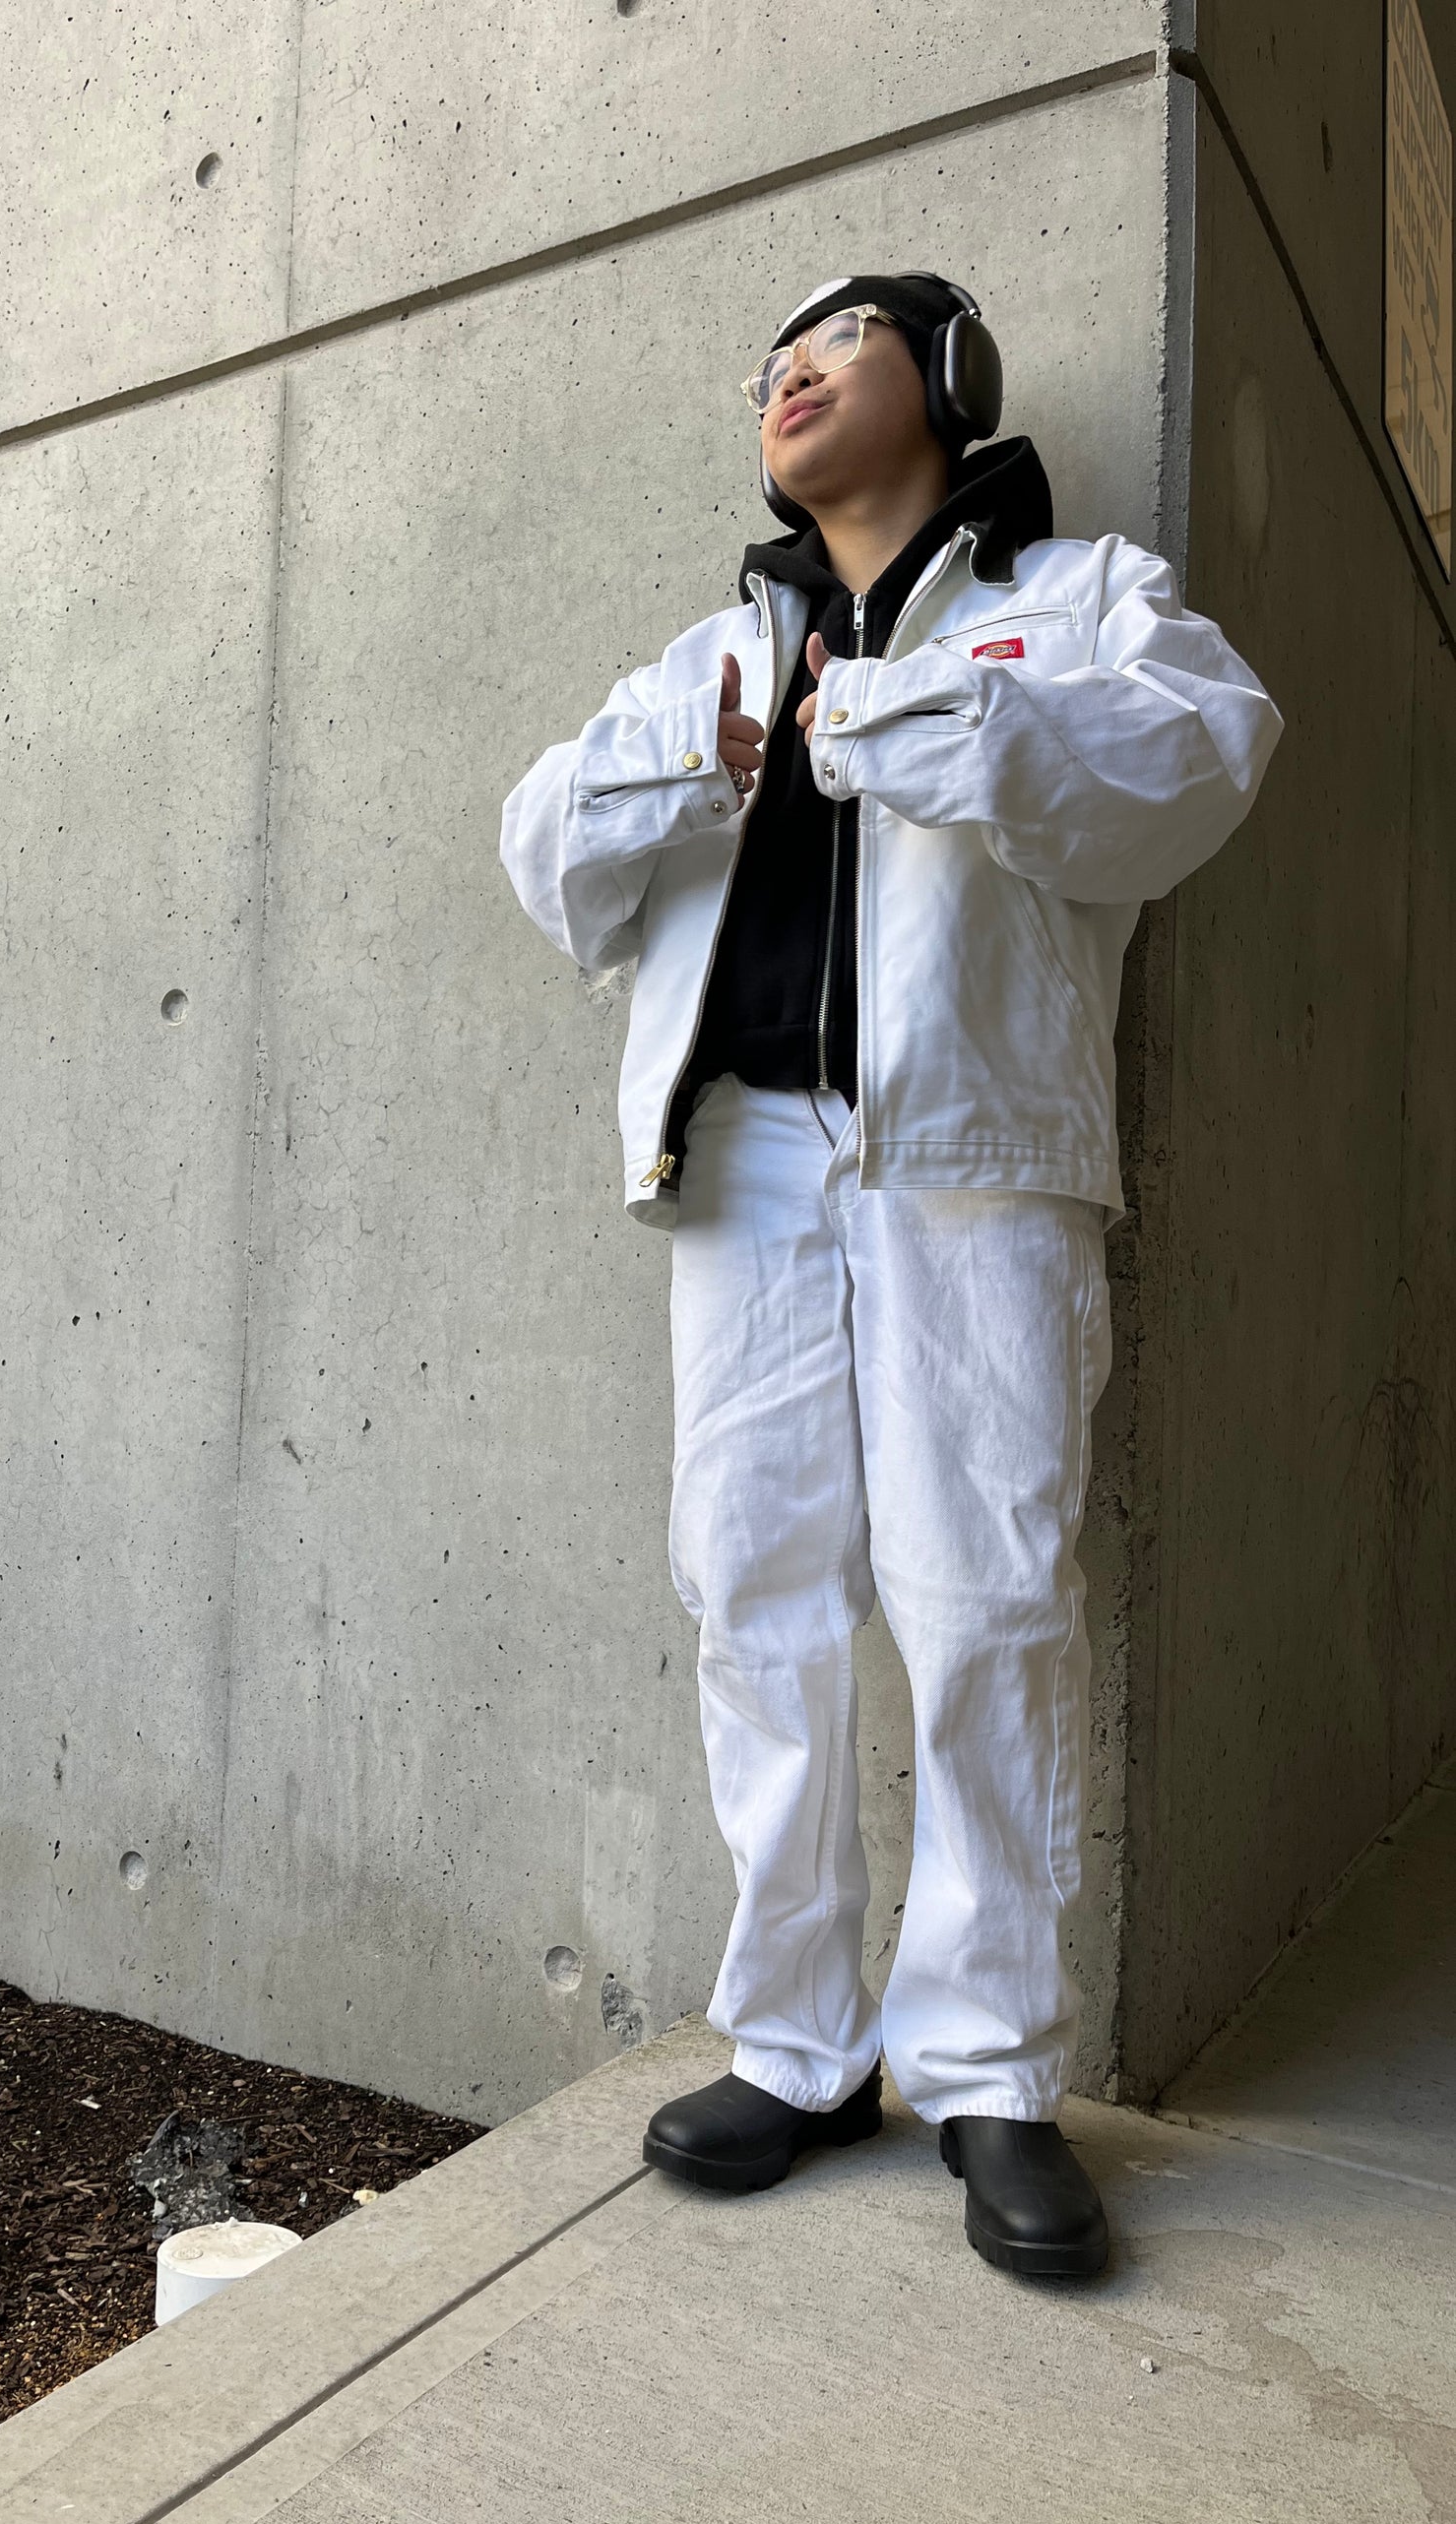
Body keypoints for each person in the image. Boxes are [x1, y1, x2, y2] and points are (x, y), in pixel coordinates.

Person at [498, 271, 1282, 2277]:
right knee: (752, 1587)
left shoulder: (1076, 597)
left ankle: (990, 2071)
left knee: (985, 1597)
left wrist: (913, 717)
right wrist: (693, 767)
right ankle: (796, 2042)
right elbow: (543, 856)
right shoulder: (713, 650)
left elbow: (1201, 758)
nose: (791, 371)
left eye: (838, 343)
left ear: (942, 378)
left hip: (971, 1154)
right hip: (744, 1158)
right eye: (773, 356)